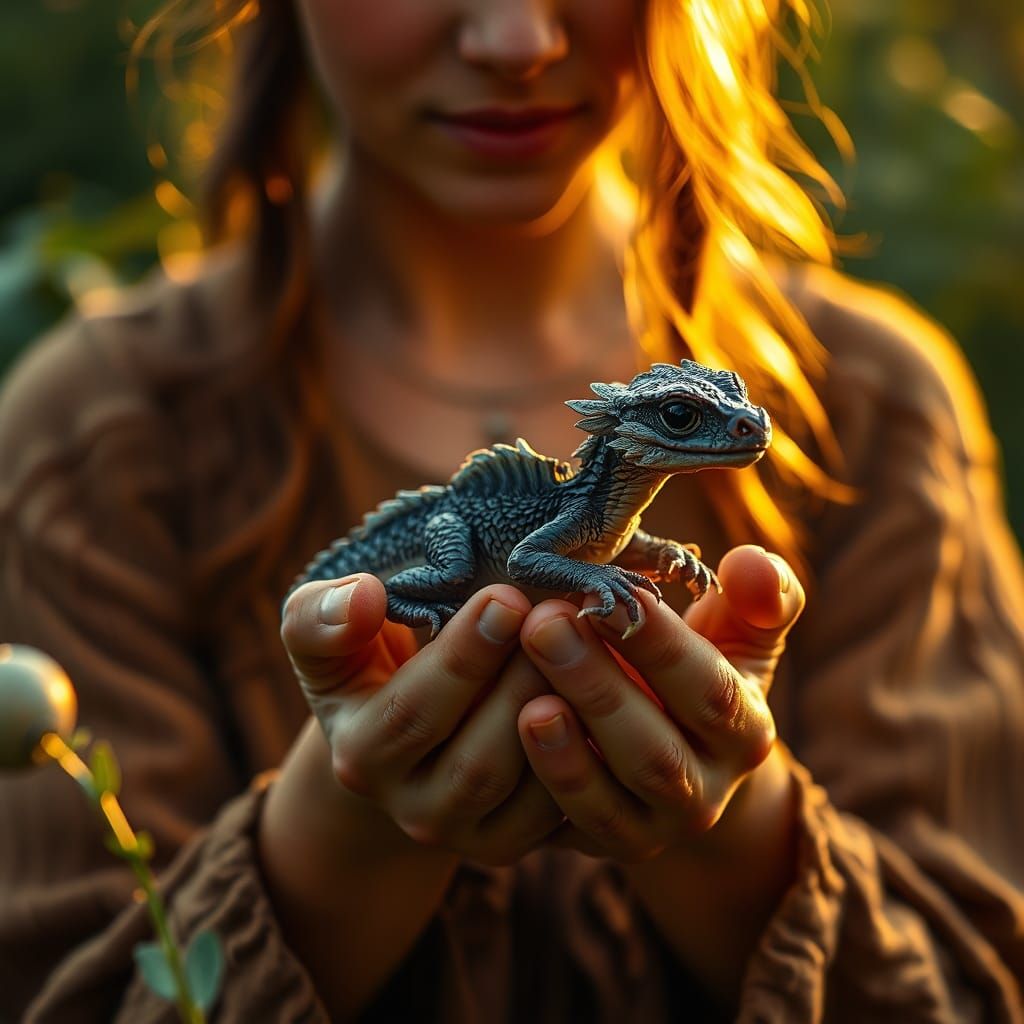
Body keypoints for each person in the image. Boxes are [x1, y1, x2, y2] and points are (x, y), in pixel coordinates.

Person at [1, 0, 1022, 1020]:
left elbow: (978, 984)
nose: (516, 42)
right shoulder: (84, 439)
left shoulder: (877, 409)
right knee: (441, 587)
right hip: (452, 552)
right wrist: (339, 829)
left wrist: (734, 818)